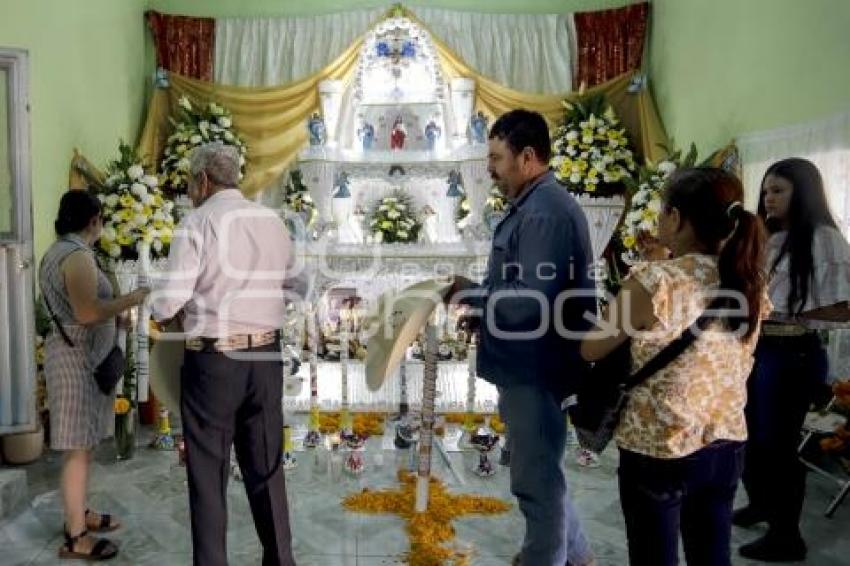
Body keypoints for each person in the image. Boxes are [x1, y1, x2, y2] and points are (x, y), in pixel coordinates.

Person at [581, 167, 769, 566]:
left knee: (654, 557)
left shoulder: (657, 280)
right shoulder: (748, 277)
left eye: (661, 210)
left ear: (677, 217)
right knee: (712, 553)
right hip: (726, 439)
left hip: (660, 446)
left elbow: (592, 348)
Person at [451, 109, 596, 566]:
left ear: (527, 157)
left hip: (538, 365)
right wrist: (484, 314)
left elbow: (531, 300)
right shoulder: (533, 206)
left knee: (534, 476)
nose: (490, 170)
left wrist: (470, 294)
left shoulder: (545, 213)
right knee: (541, 470)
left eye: (496, 158)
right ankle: (575, 554)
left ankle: (544, 558)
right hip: (525, 359)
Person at [149, 142, 305, 566]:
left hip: (214, 363)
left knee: (207, 474)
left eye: (189, 183)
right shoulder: (271, 219)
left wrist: (157, 305)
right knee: (267, 470)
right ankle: (280, 561)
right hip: (266, 358)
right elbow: (299, 285)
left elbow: (169, 301)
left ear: (201, 181)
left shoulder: (197, 222)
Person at [735, 158, 850, 561]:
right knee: (745, 436)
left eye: (778, 190)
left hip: (791, 355)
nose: (768, 197)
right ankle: (762, 504)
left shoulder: (823, 240)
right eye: (766, 190)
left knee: (776, 447)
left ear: (804, 192)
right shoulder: (766, 236)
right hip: (756, 350)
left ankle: (787, 535)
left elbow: (844, 308)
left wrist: (789, 310)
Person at [39, 190, 149, 560]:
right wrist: (133, 299)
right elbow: (87, 313)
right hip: (76, 363)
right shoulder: (76, 256)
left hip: (74, 357)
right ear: (94, 220)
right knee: (77, 451)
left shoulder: (63, 251)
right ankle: (76, 537)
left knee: (81, 446)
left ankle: (78, 513)